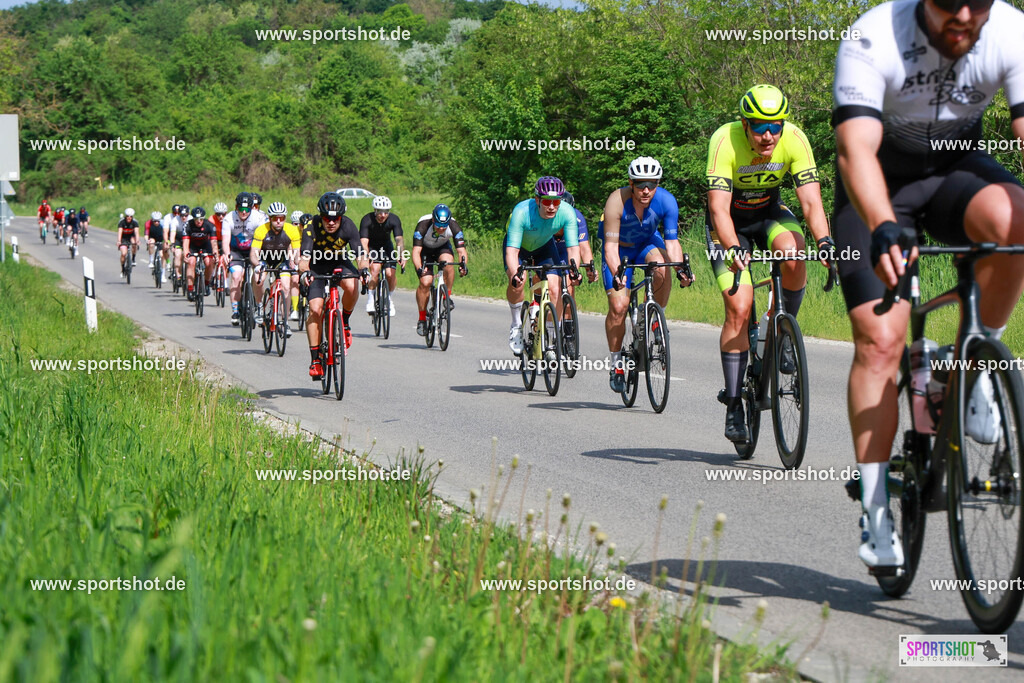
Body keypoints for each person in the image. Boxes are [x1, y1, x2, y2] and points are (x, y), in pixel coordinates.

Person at [832, 0, 1024, 570]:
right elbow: (854, 149)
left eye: (978, 3)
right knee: (881, 343)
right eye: (947, 3)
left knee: (1016, 218)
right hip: (876, 186)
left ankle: (977, 363)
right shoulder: (872, 37)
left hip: (955, 171)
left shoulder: (1013, 30)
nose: (963, 16)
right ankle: (875, 509)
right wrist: (883, 224)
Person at [705, 84, 832, 443]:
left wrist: (824, 240)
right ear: (744, 124)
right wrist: (731, 247)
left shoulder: (794, 138)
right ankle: (733, 404)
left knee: (794, 253)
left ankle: (782, 335)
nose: (768, 134)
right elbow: (717, 208)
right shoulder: (724, 140)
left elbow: (810, 201)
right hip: (729, 223)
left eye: (775, 125)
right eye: (760, 125)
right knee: (738, 306)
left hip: (769, 213)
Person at [602, 157, 692, 393]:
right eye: (641, 184)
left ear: (657, 184)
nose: (646, 190)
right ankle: (615, 364)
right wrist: (617, 274)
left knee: (662, 266)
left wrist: (681, 269)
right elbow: (610, 248)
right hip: (619, 249)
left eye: (651, 185)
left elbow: (672, 243)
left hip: (645, 244)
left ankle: (651, 318)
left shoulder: (666, 201)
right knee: (619, 307)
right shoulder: (616, 201)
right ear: (631, 183)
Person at [504, 177, 581, 353]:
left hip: (544, 247)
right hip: (519, 247)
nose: (552, 206)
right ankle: (516, 325)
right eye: (547, 201)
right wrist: (516, 273)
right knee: (518, 282)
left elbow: (573, 248)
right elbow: (512, 252)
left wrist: (574, 270)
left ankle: (551, 336)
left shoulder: (567, 212)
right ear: (537, 200)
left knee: (555, 287)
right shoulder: (522, 212)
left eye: (556, 201)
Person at [298, 192, 368, 378]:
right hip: (317, 265)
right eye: (326, 218)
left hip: (339, 262)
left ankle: (344, 322)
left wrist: (364, 270)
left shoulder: (348, 225)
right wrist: (304, 272)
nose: (330, 222)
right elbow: (303, 259)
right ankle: (315, 359)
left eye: (335, 219)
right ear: (321, 216)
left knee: (352, 286)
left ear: (341, 217)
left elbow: (360, 255)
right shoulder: (311, 226)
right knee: (315, 309)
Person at [412, 204, 468, 336]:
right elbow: (416, 251)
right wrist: (419, 268)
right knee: (425, 282)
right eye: (438, 225)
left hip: (442, 248)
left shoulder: (454, 226)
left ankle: (446, 296)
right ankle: (421, 319)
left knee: (448, 263)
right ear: (433, 220)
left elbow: (461, 251)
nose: (441, 228)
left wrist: (463, 265)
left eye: (444, 226)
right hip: (424, 250)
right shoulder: (423, 225)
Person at [250, 201, 301, 335]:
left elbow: (297, 253)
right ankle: (259, 306)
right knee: (258, 278)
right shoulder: (262, 230)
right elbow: (254, 253)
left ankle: (285, 322)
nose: (278, 221)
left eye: (282, 218)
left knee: (285, 287)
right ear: (270, 218)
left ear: (285, 218)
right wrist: (257, 265)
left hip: (281, 259)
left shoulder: (292, 230)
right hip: (265, 258)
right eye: (275, 218)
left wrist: (296, 264)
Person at [221, 192, 263, 326]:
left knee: (257, 277)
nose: (244, 213)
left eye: (247, 210)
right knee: (236, 276)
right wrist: (227, 254)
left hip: (254, 250)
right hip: (236, 251)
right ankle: (235, 311)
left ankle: (258, 306)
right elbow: (225, 241)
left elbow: (264, 239)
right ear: (236, 207)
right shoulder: (229, 218)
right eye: (241, 209)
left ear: (252, 208)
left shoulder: (259, 217)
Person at [359, 195, 405, 317]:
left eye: (386, 212)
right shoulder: (367, 220)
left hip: (387, 247)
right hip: (372, 247)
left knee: (390, 274)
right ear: (375, 211)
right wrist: (366, 256)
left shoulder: (394, 220)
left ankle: (389, 299)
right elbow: (364, 242)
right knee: (375, 270)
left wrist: (401, 254)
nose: (383, 215)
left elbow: (399, 240)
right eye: (380, 212)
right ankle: (370, 299)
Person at [182, 207, 219, 300]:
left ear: (204, 218)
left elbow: (214, 242)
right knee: (191, 262)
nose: (198, 221)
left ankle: (206, 283)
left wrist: (215, 253)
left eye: (201, 219)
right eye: (196, 219)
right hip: (193, 246)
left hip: (206, 246)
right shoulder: (188, 225)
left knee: (209, 262)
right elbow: (185, 242)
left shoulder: (209, 225)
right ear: (193, 218)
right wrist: (186, 254)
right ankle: (190, 289)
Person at [147, 212, 170, 282]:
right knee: (151, 243)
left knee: (162, 255)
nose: (156, 222)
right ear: (152, 220)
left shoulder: (163, 224)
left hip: (161, 239)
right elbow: (146, 233)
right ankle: (151, 261)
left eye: (158, 221)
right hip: (152, 238)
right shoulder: (148, 223)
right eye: (155, 221)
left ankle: (162, 275)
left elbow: (166, 233)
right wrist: (146, 240)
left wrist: (167, 242)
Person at [117, 208, 140, 275]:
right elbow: (120, 232)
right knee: (123, 254)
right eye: (127, 216)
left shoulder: (135, 222)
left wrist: (137, 240)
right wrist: (119, 241)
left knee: (134, 243)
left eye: (130, 216)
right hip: (123, 238)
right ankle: (123, 268)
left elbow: (136, 232)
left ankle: (133, 259)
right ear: (125, 216)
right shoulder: (122, 222)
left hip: (131, 236)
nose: (129, 218)